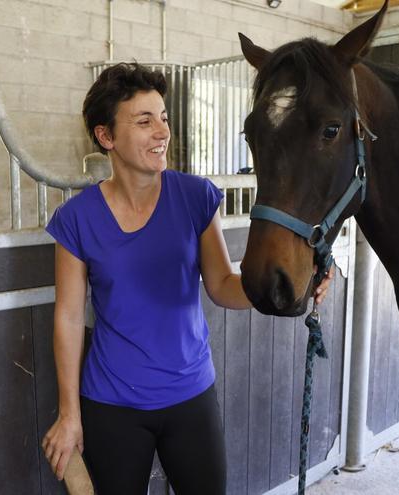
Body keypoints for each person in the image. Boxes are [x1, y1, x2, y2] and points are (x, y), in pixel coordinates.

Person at [41, 62, 334, 495]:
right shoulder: (76, 220)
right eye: (144, 121)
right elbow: (67, 318)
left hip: (190, 395)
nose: (162, 132)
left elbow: (221, 285)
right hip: (112, 402)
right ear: (106, 137)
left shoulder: (195, 197)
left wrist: (286, 288)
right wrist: (70, 414)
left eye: (163, 118)